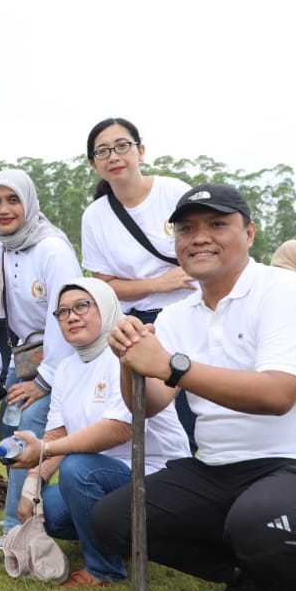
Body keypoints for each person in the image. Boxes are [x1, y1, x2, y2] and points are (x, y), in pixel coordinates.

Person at [95, 183, 296, 591]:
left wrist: (170, 364)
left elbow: (277, 394)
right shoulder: (177, 316)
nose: (199, 237)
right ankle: (256, 576)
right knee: (114, 519)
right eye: (186, 228)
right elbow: (151, 404)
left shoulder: (285, 292)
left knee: (260, 521)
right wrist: (131, 358)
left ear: (249, 233)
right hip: (220, 468)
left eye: (216, 224)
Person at [4, 279, 189, 584]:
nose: (71, 317)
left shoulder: (128, 354)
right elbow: (56, 434)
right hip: (110, 477)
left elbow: (120, 429)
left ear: (106, 306)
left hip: (158, 476)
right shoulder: (66, 368)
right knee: (46, 507)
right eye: (62, 312)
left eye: (81, 306)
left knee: (78, 468)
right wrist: (31, 487)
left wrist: (48, 451)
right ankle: (122, 543)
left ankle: (103, 570)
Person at [79, 117, 197, 446]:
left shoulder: (173, 192)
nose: (113, 156)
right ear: (93, 164)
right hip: (138, 326)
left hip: (190, 316)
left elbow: (204, 248)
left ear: (140, 151)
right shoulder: (95, 216)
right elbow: (104, 283)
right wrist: (158, 284)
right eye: (102, 151)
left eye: (121, 146)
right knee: (152, 414)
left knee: (197, 406)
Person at [0, 169, 83, 541]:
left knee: (29, 435)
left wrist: (44, 381)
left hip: (57, 361)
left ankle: (16, 526)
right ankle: (19, 509)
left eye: (13, 200)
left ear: (30, 203)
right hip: (22, 357)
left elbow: (68, 315)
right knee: (9, 431)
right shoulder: (0, 248)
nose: (3, 210)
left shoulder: (52, 249)